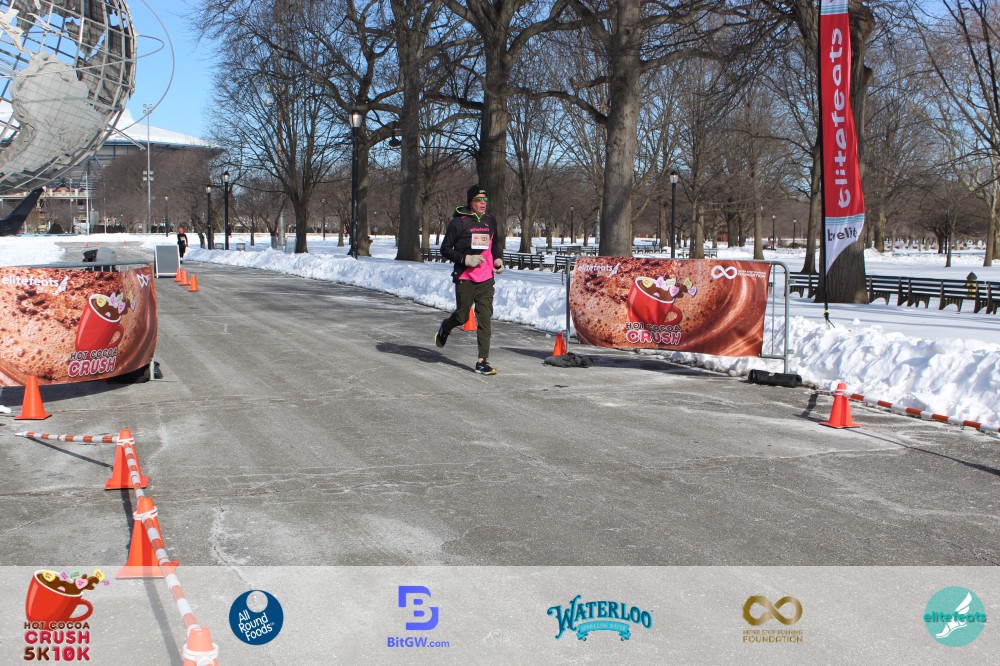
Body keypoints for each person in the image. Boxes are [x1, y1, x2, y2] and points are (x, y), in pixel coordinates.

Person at [435, 185, 504, 375]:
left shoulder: (490, 221)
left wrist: (498, 259)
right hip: (465, 277)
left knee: (485, 317)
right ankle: (446, 326)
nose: (483, 203)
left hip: (486, 278)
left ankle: (482, 361)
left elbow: (494, 244)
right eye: (478, 199)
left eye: (485, 200)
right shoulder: (459, 222)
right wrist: (466, 259)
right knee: (462, 317)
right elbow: (445, 249)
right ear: (470, 201)